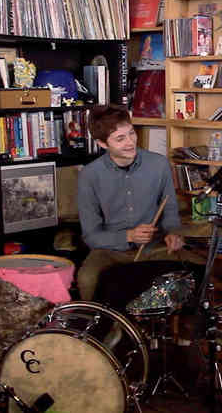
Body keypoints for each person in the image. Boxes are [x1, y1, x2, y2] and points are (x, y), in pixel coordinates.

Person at [77, 104, 186, 302]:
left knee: (189, 274)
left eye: (131, 134)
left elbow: (170, 210)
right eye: (120, 138)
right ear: (102, 144)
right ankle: (101, 329)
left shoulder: (159, 164)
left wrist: (173, 233)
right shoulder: (89, 175)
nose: (130, 143)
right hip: (110, 251)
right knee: (86, 279)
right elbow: (91, 235)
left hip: (154, 248)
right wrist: (128, 235)